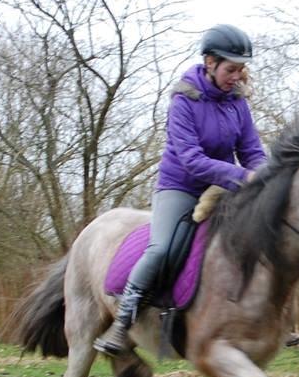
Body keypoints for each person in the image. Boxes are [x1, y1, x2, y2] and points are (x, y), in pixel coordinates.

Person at [94, 24, 267, 356]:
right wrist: (242, 177)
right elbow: (192, 160)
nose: (237, 76)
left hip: (225, 187)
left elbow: (252, 151)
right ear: (210, 63)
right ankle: (122, 323)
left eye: (241, 69)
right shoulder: (183, 101)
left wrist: (263, 175)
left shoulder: (238, 103)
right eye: (231, 69)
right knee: (160, 249)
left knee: (262, 233)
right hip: (180, 187)